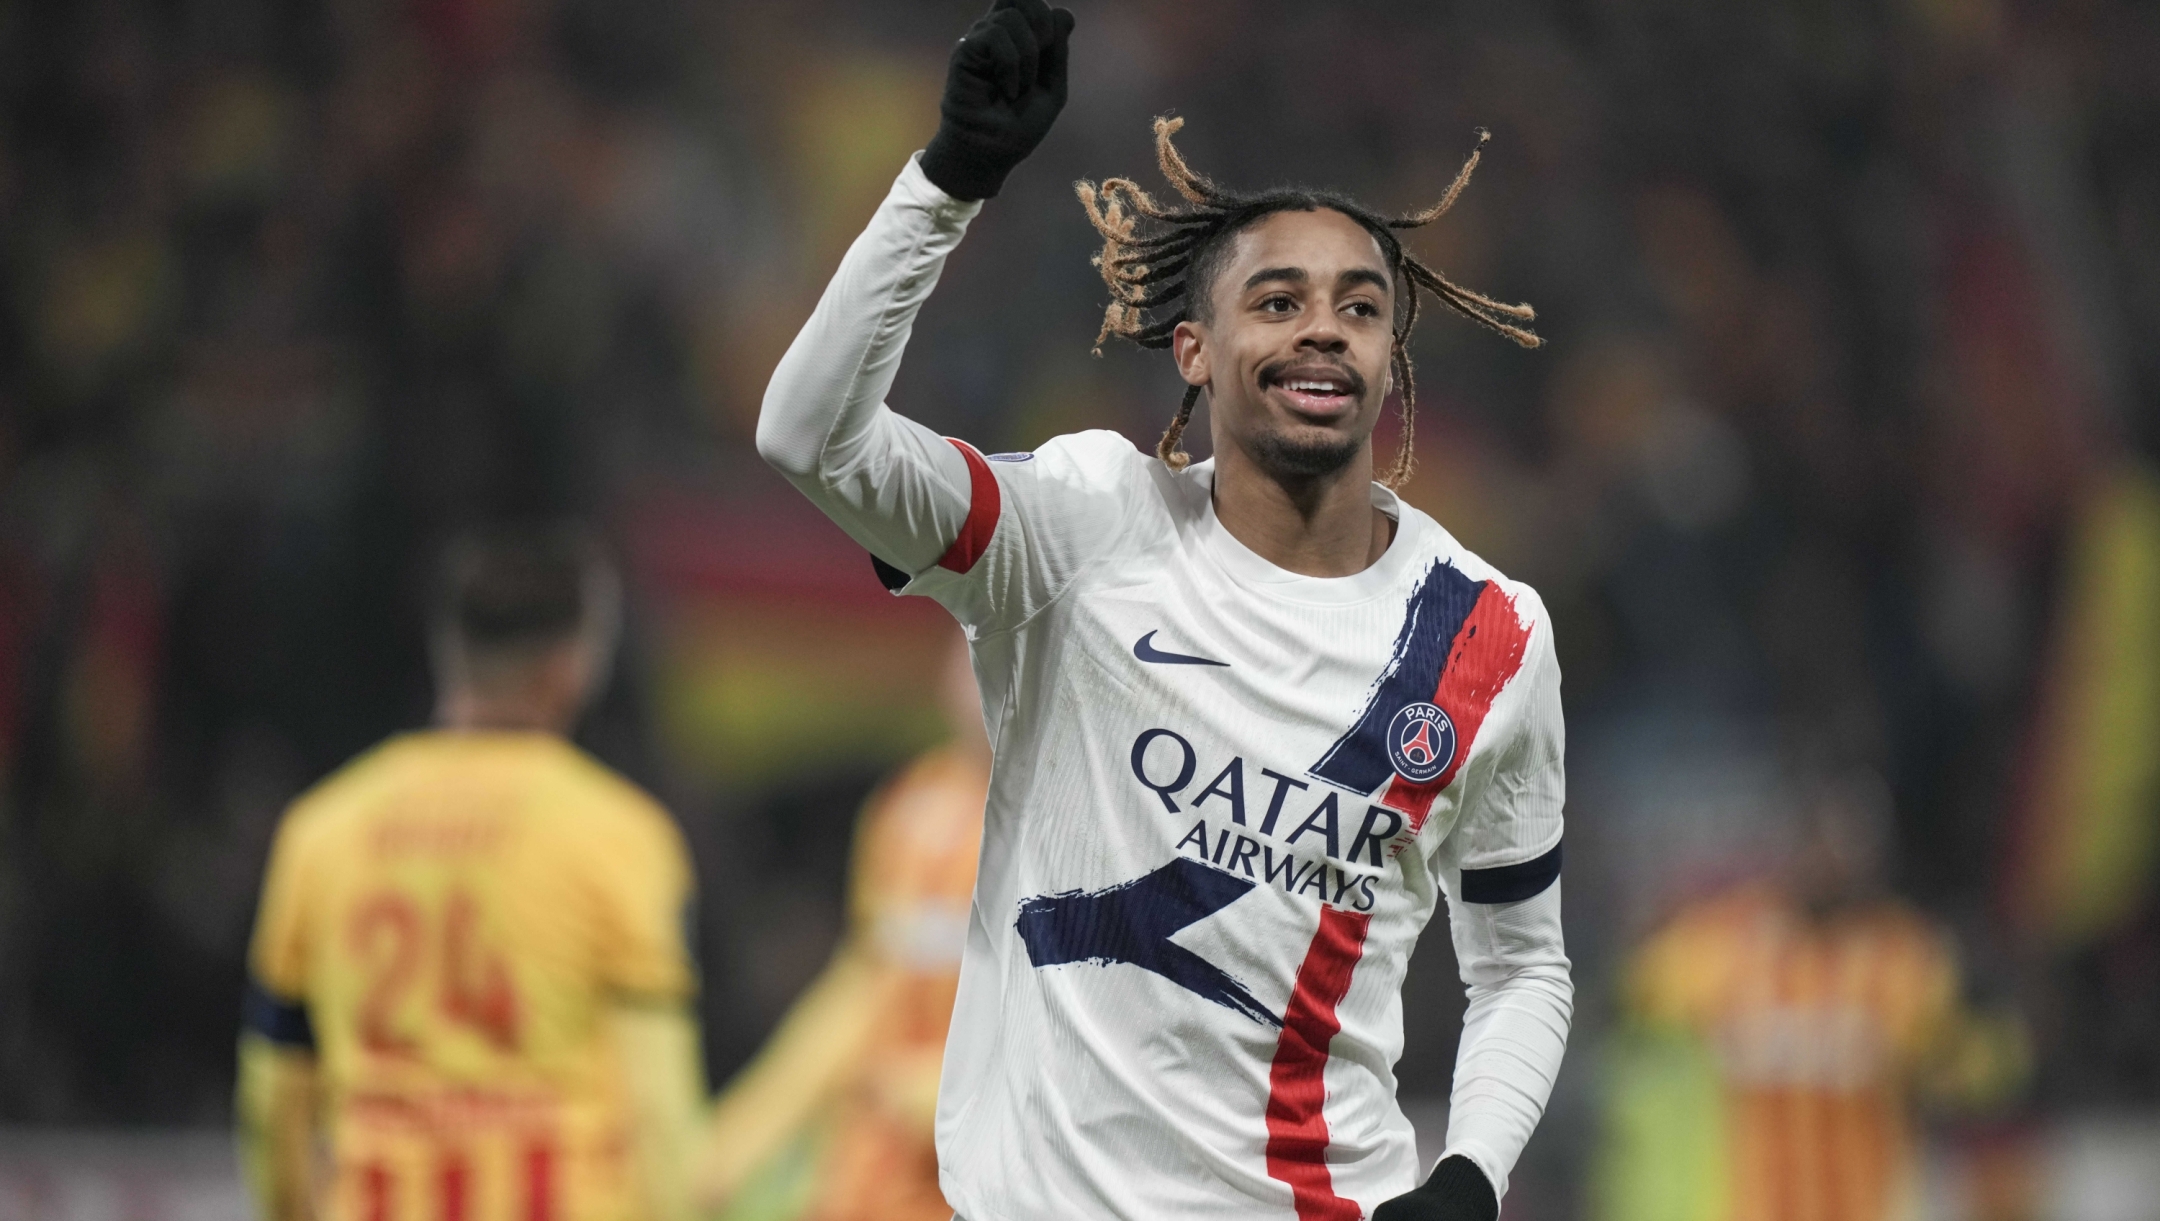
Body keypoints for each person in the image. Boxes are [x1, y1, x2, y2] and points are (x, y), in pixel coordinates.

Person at [754, 4, 1570, 1219]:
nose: (1323, 333)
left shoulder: (1490, 637)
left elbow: (1522, 965)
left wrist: (1470, 1176)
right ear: (1192, 348)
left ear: (1392, 353)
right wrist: (946, 185)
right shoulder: (1081, 528)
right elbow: (810, 437)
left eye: (1357, 306)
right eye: (1279, 301)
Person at [236, 526, 706, 1221]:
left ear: (448, 652)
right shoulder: (621, 836)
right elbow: (661, 1117)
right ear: (573, 665)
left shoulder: (320, 831)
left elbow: (273, 1100)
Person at [1595, 777, 2027, 1221]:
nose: (1829, 858)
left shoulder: (1902, 954)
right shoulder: (1730, 940)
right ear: (1791, 848)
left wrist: (1953, 1060)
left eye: (1846, 842)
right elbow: (1637, 989)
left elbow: (1968, 1067)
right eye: (1816, 840)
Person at [694, 631, 988, 1221]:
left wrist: (946, 1094)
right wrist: (740, 1136)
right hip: (867, 1179)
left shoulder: (1077, 831)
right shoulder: (909, 808)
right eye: (971, 643)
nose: (976, 671)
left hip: (977, 1183)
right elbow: (864, 985)